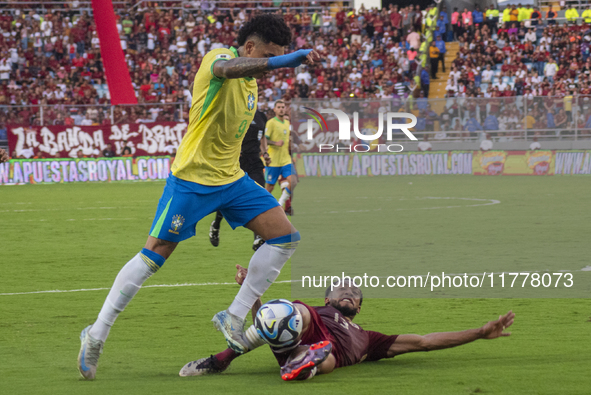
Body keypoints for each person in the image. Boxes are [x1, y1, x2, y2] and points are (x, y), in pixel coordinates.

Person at [77, 14, 321, 380]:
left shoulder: (253, 86)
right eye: (268, 56)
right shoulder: (217, 57)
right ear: (251, 49)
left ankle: (235, 315)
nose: (271, 67)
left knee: (286, 238)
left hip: (232, 180)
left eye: (277, 58)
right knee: (155, 254)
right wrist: (281, 61)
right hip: (192, 179)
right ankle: (96, 333)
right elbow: (227, 68)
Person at [179, 265, 515, 381]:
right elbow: (269, 323)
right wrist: (251, 293)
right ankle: (221, 360)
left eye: (356, 294)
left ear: (359, 308)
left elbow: (425, 341)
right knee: (284, 310)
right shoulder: (316, 311)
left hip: (322, 355)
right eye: (344, 290)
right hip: (296, 333)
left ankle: (302, 366)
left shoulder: (370, 338)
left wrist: (480, 333)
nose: (351, 293)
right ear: (328, 298)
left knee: (326, 357)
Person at [209, 108, 271, 251]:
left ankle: (258, 237)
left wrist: (265, 152)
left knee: (260, 195)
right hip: (237, 162)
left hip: (255, 161)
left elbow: (262, 137)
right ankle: (216, 224)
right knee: (227, 199)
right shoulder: (236, 112)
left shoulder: (261, 116)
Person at [265, 100, 296, 214]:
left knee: (293, 181)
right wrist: (275, 143)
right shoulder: (271, 123)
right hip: (273, 161)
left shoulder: (287, 123)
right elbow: (265, 140)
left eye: (283, 107)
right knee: (269, 188)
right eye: (279, 107)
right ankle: (262, 208)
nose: (281, 109)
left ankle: (280, 203)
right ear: (275, 109)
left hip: (286, 160)